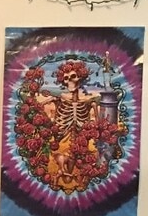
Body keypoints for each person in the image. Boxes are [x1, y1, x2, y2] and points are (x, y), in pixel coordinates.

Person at [32, 59, 101, 190]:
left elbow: (96, 123)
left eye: (73, 77)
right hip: (63, 138)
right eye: (66, 78)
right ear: (62, 81)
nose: (69, 81)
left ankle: (74, 175)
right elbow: (39, 106)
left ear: (80, 77)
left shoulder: (88, 102)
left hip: (80, 144)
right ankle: (63, 172)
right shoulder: (60, 99)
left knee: (80, 163)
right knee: (63, 162)